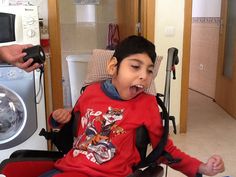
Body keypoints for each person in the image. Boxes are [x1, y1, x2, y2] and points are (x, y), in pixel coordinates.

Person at [41, 35, 225, 177]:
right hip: (68, 168)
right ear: (113, 67)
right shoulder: (91, 92)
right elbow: (71, 127)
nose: (144, 76)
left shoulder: (146, 103)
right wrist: (58, 119)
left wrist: (202, 167)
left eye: (150, 70)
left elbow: (164, 150)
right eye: (135, 67)